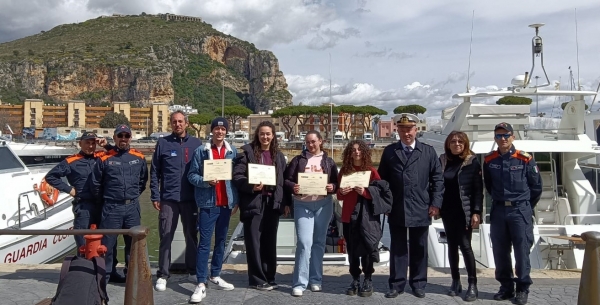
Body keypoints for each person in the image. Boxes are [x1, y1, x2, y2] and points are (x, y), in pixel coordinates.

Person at [44, 133, 126, 284]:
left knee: (108, 241)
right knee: (82, 242)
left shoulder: (102, 156)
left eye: (93, 143)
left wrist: (106, 145)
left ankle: (111, 271)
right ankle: (83, 274)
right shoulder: (71, 161)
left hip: (102, 205)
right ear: (80, 143)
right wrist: (69, 190)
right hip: (84, 206)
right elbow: (51, 176)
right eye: (87, 143)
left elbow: (119, 153)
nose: (90, 146)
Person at [378, 113, 444, 299]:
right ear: (397, 130)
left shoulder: (428, 152)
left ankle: (418, 283)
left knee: (419, 248)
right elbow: (382, 180)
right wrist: (385, 204)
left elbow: (437, 180)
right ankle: (397, 284)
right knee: (398, 248)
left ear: (416, 130)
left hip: (421, 207)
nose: (406, 133)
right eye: (402, 129)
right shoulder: (390, 152)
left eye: (410, 129)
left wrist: (435, 204)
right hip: (397, 207)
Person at [483, 122, 542, 305]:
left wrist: (524, 205)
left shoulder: (525, 159)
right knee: (500, 251)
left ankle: (522, 288)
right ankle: (506, 287)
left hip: (519, 210)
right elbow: (489, 186)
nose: (503, 139)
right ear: (495, 138)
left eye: (506, 135)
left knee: (521, 250)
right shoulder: (489, 160)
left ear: (513, 137)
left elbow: (536, 187)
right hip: (499, 209)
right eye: (499, 136)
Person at [232, 121, 288, 291]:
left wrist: (285, 203)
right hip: (254, 203)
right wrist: (251, 186)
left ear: (273, 136)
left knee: (270, 242)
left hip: (272, 204)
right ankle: (257, 279)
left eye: (268, 134)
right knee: (254, 243)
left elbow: (283, 182)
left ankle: (270, 277)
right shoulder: (246, 153)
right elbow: (237, 176)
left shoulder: (278, 156)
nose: (265, 137)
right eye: (262, 133)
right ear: (257, 135)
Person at [187, 117, 238, 303]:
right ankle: (201, 282)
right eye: (217, 129)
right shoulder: (201, 151)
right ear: (212, 131)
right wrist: (205, 181)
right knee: (204, 243)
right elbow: (191, 175)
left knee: (222, 241)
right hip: (208, 204)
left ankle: (215, 274)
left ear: (226, 132)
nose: (220, 132)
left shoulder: (233, 151)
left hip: (226, 204)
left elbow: (236, 178)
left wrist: (235, 202)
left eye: (223, 129)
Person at [91, 124, 148, 286]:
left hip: (132, 208)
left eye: (126, 136)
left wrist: (132, 196)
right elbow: (96, 185)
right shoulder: (104, 158)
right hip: (111, 208)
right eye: (120, 136)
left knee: (133, 244)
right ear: (114, 138)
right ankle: (106, 276)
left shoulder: (139, 158)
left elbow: (143, 181)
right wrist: (108, 200)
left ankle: (132, 276)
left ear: (130, 138)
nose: (123, 139)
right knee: (108, 244)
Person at [151, 110, 202, 292]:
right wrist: (155, 195)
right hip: (168, 199)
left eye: (180, 121)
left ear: (186, 123)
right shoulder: (163, 143)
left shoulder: (197, 144)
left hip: (191, 199)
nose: (177, 124)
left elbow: (203, 169)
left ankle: (193, 270)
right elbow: (155, 171)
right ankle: (163, 274)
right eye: (174, 122)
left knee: (191, 236)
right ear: (170, 124)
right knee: (166, 236)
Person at [283, 130, 338, 297]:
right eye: (308, 142)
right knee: (304, 242)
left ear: (321, 141)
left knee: (319, 242)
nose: (310, 145)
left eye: (313, 141)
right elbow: (287, 180)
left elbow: (336, 181)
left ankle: (315, 280)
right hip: (302, 205)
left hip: (323, 204)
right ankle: (299, 282)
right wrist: (294, 187)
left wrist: (332, 187)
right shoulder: (298, 160)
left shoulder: (329, 161)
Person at [337, 140, 391, 297]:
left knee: (368, 248)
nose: (357, 152)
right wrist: (343, 192)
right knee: (352, 250)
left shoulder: (371, 171)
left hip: (366, 217)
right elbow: (339, 194)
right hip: (348, 216)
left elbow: (379, 193)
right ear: (349, 152)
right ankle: (355, 279)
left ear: (364, 152)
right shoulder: (344, 171)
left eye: (360, 149)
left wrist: (365, 193)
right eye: (353, 150)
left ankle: (368, 279)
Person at [439, 131, 483, 302]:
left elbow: (478, 190)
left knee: (465, 246)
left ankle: (473, 284)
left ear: (465, 144)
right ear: (448, 144)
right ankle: (455, 280)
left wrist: (476, 212)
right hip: (447, 210)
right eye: (453, 141)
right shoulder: (442, 160)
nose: (457, 144)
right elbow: (436, 184)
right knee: (451, 246)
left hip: (464, 211)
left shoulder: (471, 161)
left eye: (460, 141)